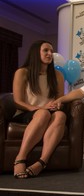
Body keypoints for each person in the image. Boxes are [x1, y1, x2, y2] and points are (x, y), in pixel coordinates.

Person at [12, 40, 67, 179]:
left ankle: (42, 162)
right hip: (26, 112)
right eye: (46, 50)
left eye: (51, 51)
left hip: (48, 111)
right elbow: (18, 101)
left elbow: (59, 98)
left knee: (60, 116)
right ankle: (20, 158)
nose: (50, 54)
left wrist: (58, 104)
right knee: (42, 114)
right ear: (36, 52)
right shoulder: (22, 72)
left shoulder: (57, 75)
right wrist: (40, 108)